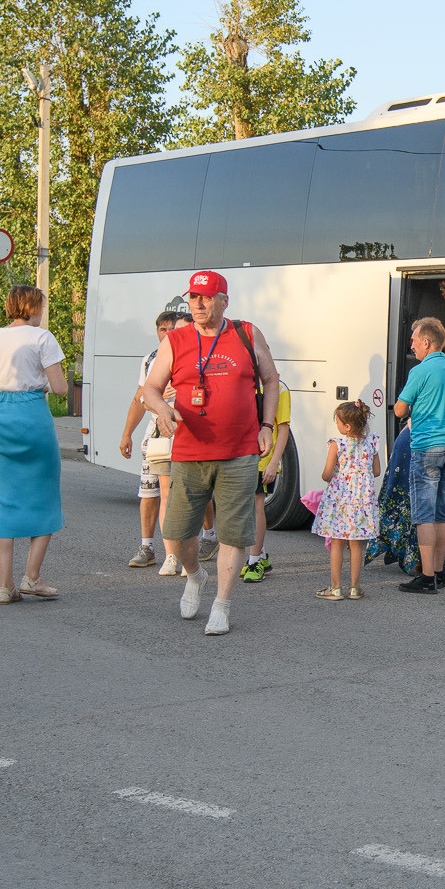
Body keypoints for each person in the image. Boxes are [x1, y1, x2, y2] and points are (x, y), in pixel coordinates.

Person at [137, 270, 282, 636]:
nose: (198, 304)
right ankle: (196, 576)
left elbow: (271, 379)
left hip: (239, 452)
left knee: (233, 535)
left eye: (206, 297)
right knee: (177, 534)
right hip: (188, 452)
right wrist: (162, 409)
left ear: (224, 301)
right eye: (194, 298)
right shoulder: (176, 339)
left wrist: (267, 425)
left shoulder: (246, 334)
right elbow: (150, 388)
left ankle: (222, 604)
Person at [0, 284, 67, 605]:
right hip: (32, 416)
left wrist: (4, 385)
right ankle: (32, 577)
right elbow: (61, 388)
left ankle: (5, 586)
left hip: (1, 417)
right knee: (45, 497)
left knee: (5, 499)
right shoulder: (43, 338)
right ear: (33, 307)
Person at [390, 317, 445, 594]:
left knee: (424, 513)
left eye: (414, 340)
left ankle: (426, 578)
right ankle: (440, 571)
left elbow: (400, 410)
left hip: (427, 446)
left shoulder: (420, 371)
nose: (411, 345)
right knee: (442, 512)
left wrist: (421, 410)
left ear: (427, 342)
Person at [120, 309, 187, 572]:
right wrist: (127, 433)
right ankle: (152, 548)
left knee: (190, 496)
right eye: (161, 329)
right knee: (152, 493)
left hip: (186, 432)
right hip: (158, 437)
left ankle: (205, 540)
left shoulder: (192, 355)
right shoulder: (150, 359)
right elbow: (141, 397)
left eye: (171, 328)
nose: (166, 333)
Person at [368, 423, 445, 577]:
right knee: (440, 508)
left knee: (417, 503)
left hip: (416, 438)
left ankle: (420, 561)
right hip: (442, 441)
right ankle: (441, 563)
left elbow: (400, 409)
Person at [312, 400, 381, 600]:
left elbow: (326, 474)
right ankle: (355, 588)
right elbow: (376, 471)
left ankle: (335, 588)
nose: (337, 426)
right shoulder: (372, 442)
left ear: (347, 426)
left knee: (337, 543)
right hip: (362, 500)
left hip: (340, 500)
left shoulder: (337, 444)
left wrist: (334, 474)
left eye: (339, 422)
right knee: (356, 543)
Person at [240, 377, 292, 584]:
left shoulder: (279, 388)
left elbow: (284, 428)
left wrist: (274, 463)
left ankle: (254, 561)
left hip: (262, 459)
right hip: (240, 456)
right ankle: (260, 554)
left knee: (256, 506)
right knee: (246, 508)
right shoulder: (242, 381)